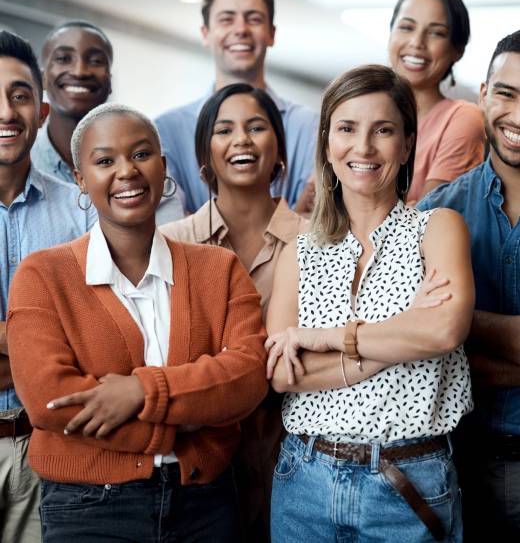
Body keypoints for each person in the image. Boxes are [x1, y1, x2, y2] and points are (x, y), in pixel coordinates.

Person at [7, 103, 268, 542]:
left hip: (204, 502)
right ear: (80, 179)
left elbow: (247, 375)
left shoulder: (219, 268)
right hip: (87, 507)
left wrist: (140, 392)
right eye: (105, 161)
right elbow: (49, 399)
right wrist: (186, 420)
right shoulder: (42, 274)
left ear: (163, 166)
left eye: (142, 154)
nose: (127, 171)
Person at [265, 65, 475, 542]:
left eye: (383, 130)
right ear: (326, 144)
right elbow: (281, 373)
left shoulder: (438, 228)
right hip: (305, 477)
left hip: (409, 481)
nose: (363, 148)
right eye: (346, 129)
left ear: (405, 146)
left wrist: (321, 340)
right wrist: (401, 333)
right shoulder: (299, 250)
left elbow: (443, 332)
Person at [162, 83, 307, 541]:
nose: (242, 139)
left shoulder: (319, 241)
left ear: (278, 149)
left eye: (256, 127)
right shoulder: (170, 242)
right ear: (205, 154)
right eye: (225, 130)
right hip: (194, 451)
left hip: (292, 451)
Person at [417, 30, 520, 542]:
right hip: (458, 464)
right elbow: (414, 350)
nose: (518, 116)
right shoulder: (436, 213)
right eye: (507, 94)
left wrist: (458, 324)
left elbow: (437, 337)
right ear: (482, 94)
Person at [0, 30, 95, 543]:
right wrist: (37, 342)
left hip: (50, 450)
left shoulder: (80, 212)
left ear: (39, 110)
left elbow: (93, 340)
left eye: (17, 96)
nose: (6, 113)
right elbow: (55, 343)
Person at [155, 0, 318, 213]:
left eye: (253, 19)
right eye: (226, 19)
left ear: (271, 33)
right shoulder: (165, 130)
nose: (240, 29)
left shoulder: (310, 125)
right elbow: (172, 227)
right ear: (205, 34)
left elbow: (314, 220)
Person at [32, 20, 184, 223]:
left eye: (95, 61)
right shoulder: (24, 162)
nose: (79, 71)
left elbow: (169, 236)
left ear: (110, 81)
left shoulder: (145, 159)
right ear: (42, 77)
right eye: (64, 58)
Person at [388, 0, 484, 202]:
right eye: (406, 27)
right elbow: (316, 207)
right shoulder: (358, 109)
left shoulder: (462, 118)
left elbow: (426, 217)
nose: (417, 42)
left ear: (457, 50)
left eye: (436, 33)